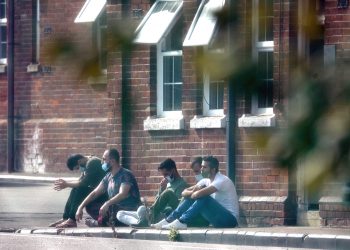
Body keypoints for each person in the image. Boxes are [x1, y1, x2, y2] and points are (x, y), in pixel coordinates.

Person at [151, 155, 239, 229]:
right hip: (216, 219)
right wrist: (194, 191)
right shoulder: (206, 180)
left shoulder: (222, 180)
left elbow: (198, 194)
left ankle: (182, 221)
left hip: (230, 220)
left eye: (204, 167)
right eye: (201, 166)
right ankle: (169, 220)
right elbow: (183, 192)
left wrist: (195, 192)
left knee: (204, 196)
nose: (201, 169)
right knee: (195, 195)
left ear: (213, 169)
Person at [75, 148, 141, 227]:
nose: (102, 162)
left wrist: (107, 203)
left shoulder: (125, 174)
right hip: (113, 209)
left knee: (111, 210)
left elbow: (122, 194)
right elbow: (95, 193)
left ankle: (101, 222)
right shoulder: (108, 176)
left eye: (104, 159)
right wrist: (80, 207)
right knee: (90, 205)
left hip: (128, 209)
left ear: (112, 161)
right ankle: (106, 221)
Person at [116, 158, 188, 227]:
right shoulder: (167, 183)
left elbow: (178, 207)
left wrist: (154, 210)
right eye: (163, 175)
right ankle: (141, 222)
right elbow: (157, 201)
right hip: (154, 213)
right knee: (120, 214)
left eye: (166, 174)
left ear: (173, 170)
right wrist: (161, 189)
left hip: (165, 215)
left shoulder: (182, 185)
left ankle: (145, 221)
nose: (164, 177)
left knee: (142, 209)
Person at [49, 154, 108, 228]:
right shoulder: (87, 163)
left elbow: (83, 183)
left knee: (80, 189)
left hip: (103, 193)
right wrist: (66, 183)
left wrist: (67, 184)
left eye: (77, 168)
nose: (79, 169)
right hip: (98, 190)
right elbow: (80, 180)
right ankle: (66, 218)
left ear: (79, 161)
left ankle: (72, 220)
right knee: (75, 189)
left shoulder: (93, 163)